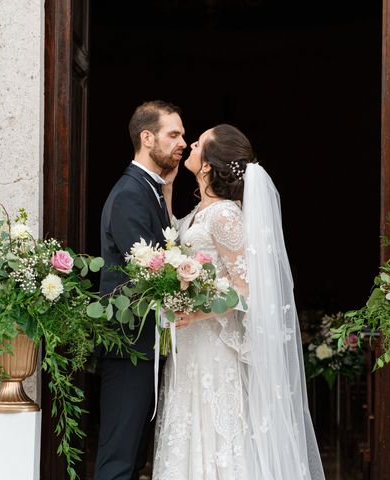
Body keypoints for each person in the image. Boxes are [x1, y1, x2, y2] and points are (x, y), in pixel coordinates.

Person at [152, 124, 325, 479]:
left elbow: (245, 288)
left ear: (208, 165)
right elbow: (178, 238)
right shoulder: (200, 211)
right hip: (190, 346)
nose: (190, 145)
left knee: (218, 433)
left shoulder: (226, 215)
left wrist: (197, 312)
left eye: (198, 143)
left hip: (215, 346)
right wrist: (167, 187)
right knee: (188, 425)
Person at [95, 100, 186, 480]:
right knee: (119, 461)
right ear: (147, 138)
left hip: (145, 346)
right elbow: (150, 270)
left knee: (132, 461)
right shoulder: (132, 192)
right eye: (174, 134)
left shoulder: (150, 189)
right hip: (128, 346)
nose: (183, 142)